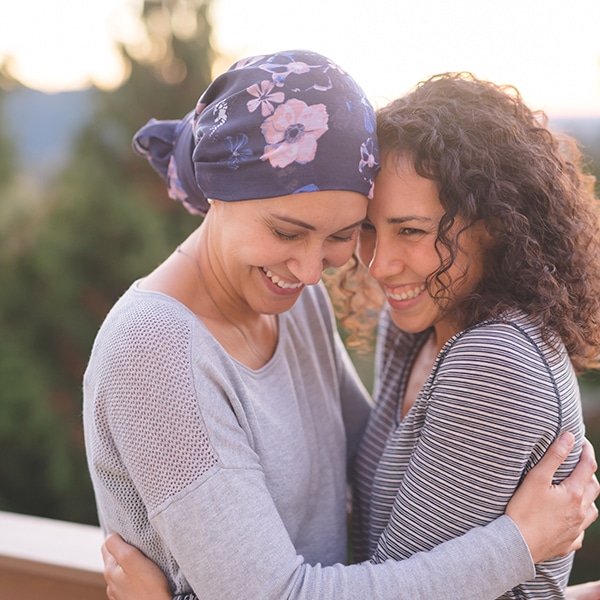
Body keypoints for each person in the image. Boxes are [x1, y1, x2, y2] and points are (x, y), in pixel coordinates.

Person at [85, 52, 600, 600]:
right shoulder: (151, 350)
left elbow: (380, 473)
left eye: (340, 236)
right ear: (217, 190)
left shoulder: (291, 303)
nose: (311, 272)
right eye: (287, 232)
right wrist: (517, 545)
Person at [342, 72, 600, 597]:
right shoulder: (419, 326)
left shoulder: (496, 360)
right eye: (369, 228)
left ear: (497, 222)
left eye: (410, 231)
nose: (378, 265)